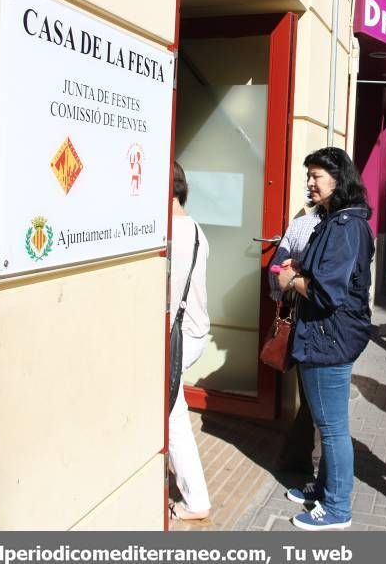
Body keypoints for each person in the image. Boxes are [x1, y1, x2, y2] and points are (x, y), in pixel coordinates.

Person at [276, 147, 374, 531]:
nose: (310, 182)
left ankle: (336, 508)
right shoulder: (336, 221)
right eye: (309, 175)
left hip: (328, 337)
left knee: (331, 427)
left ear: (339, 179)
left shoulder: (346, 225)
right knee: (325, 422)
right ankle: (323, 488)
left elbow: (329, 292)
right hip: (326, 334)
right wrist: (302, 267)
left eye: (317, 175)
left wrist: (291, 280)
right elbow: (332, 275)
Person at [168, 162, 211, 521]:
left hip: (175, 339)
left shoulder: (166, 234)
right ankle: (195, 497)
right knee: (173, 408)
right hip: (194, 332)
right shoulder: (196, 230)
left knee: (172, 415)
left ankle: (196, 500)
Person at [269, 210, 322, 475]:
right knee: (320, 403)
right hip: (327, 329)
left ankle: (298, 458)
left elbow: (275, 273)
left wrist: (287, 282)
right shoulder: (348, 229)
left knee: (311, 399)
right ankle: (308, 462)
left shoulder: (299, 225)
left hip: (304, 324)